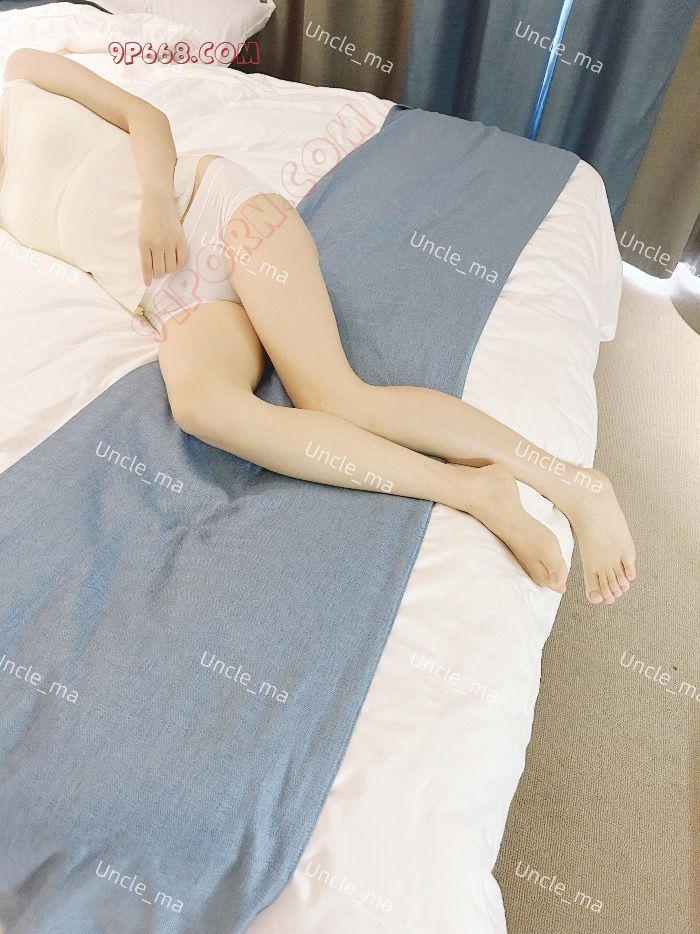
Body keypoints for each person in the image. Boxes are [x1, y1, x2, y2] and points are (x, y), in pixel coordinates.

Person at [0, 48, 636, 605]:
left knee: (333, 395)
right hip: (174, 299)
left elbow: (147, 117)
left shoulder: (23, 71)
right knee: (200, 408)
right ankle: (470, 491)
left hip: (210, 210)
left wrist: (158, 207)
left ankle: (576, 485)